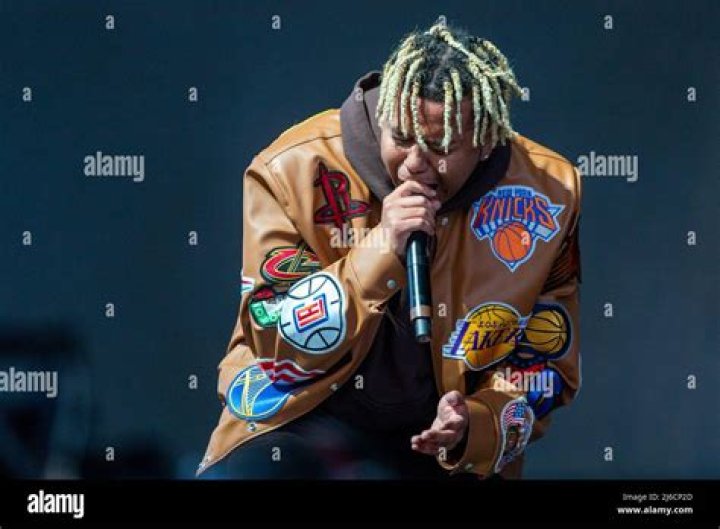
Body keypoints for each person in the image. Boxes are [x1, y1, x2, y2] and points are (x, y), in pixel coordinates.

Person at [197, 20, 582, 480]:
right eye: (400, 138)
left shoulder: (549, 191)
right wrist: (380, 251)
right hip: (298, 419)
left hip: (442, 446)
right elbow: (273, 338)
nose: (414, 164)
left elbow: (546, 361)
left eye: (440, 146)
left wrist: (476, 422)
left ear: (486, 143)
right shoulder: (291, 168)